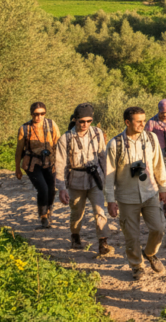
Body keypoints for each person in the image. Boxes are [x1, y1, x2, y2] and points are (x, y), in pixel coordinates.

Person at [104, 106, 166, 281]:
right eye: (138, 121)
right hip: (127, 197)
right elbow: (109, 174)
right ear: (127, 122)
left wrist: (163, 188)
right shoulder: (115, 144)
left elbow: (158, 164)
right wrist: (110, 200)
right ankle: (137, 266)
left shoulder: (151, 138)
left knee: (159, 228)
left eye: (144, 120)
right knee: (131, 236)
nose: (143, 124)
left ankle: (150, 253)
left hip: (150, 193)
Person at [54, 102, 115, 257]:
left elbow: (103, 156)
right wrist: (61, 188)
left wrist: (108, 178)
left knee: (100, 211)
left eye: (89, 121)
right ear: (75, 120)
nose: (85, 124)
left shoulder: (97, 133)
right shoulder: (65, 139)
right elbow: (60, 164)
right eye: (82, 121)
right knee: (77, 212)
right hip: (76, 179)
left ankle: (103, 243)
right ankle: (75, 236)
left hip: (95, 178)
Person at [14, 102, 60, 229]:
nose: (39, 116)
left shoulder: (51, 124)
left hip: (50, 161)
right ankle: (43, 216)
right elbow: (19, 150)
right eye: (36, 114)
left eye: (42, 113)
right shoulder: (24, 128)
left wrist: (60, 163)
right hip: (32, 164)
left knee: (52, 189)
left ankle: (49, 212)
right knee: (43, 189)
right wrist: (17, 169)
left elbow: (58, 143)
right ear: (31, 114)